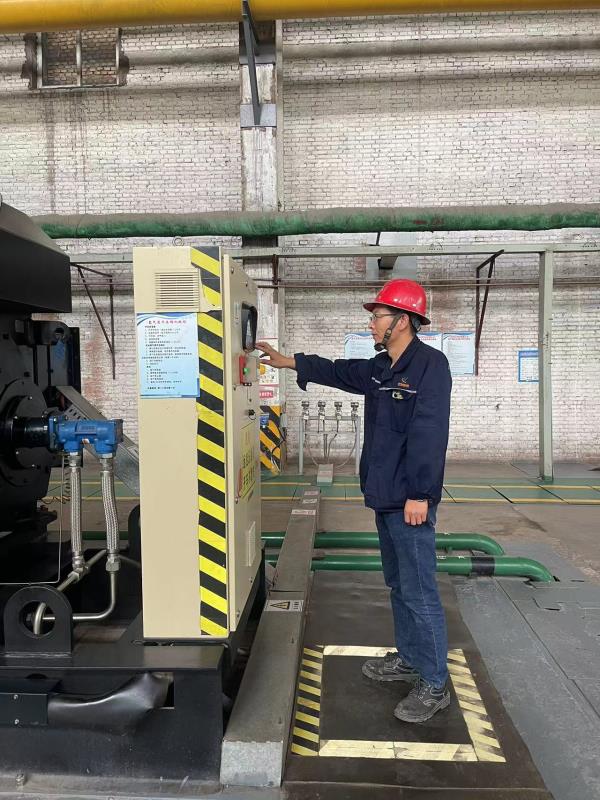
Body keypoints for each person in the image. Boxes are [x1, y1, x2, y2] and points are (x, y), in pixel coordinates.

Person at [257, 278, 452, 724]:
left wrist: (421, 494)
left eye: (378, 316)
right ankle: (409, 659)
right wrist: (289, 362)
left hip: (410, 500)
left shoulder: (430, 366)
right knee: (399, 584)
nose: (371, 323)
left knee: (420, 591)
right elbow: (341, 371)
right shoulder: (383, 366)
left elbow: (429, 434)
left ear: (403, 321)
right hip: (385, 495)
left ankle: (434, 682)